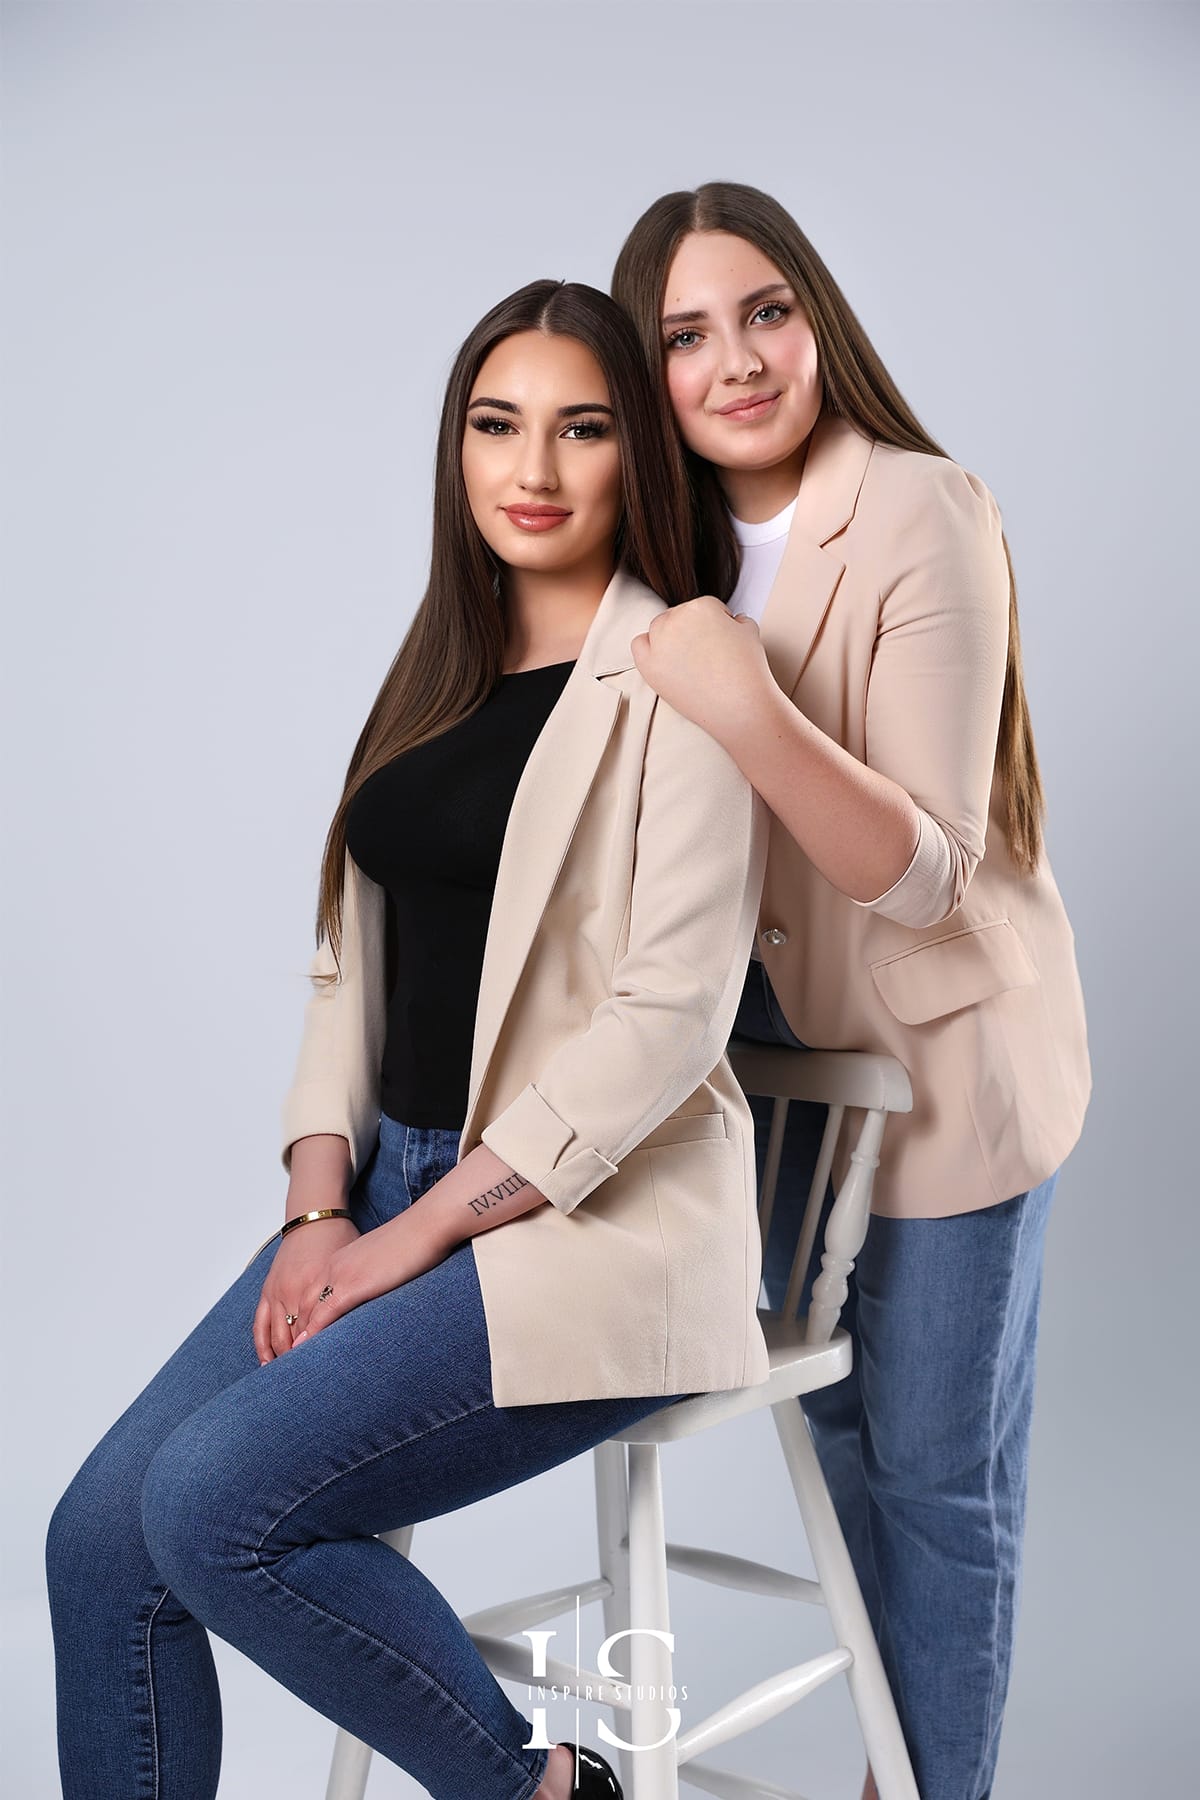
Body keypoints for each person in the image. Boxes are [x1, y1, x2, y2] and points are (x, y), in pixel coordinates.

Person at [44, 279, 774, 1800]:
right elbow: (344, 971)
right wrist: (324, 1205)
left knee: (217, 1509)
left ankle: (540, 1788)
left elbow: (668, 1017)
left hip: (590, 1221)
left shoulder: (685, 674)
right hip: (382, 1187)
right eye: (496, 425)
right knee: (102, 1544)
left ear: (637, 453)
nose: (536, 468)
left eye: (583, 430)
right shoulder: (436, 670)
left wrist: (412, 1237)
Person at [611, 183, 1091, 1800]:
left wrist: (746, 705)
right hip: (775, 1094)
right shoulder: (654, 548)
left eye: (765, 312)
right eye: (686, 334)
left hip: (949, 1077)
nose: (735, 361)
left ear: (817, 317)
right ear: (648, 365)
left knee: (939, 1484)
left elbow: (930, 865)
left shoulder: (921, 507)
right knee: (843, 1455)